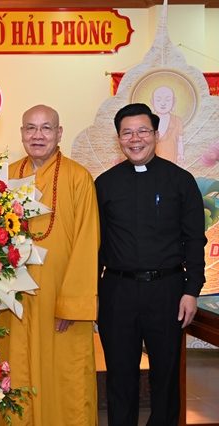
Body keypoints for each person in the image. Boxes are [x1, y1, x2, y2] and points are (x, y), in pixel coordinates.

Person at [95, 103, 206, 426]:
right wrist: (93, 292)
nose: (135, 139)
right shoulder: (104, 184)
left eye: (143, 131)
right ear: (118, 139)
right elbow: (95, 245)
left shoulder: (180, 181)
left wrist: (191, 291)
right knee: (120, 376)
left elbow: (194, 240)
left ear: (156, 134)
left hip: (167, 291)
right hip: (118, 291)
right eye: (127, 133)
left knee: (166, 377)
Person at [0, 105, 100, 425]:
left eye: (45, 128)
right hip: (13, 300)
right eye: (30, 128)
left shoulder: (78, 177)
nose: (37, 135)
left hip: (58, 302)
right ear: (21, 133)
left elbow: (87, 242)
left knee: (65, 377)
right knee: (14, 371)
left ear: (59, 133)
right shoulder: (6, 176)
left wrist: (72, 304)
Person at [151, 85, 184, 164]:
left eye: (168, 100)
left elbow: (180, 140)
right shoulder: (148, 121)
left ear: (174, 101)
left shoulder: (177, 121)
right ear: (152, 101)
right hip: (152, 160)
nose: (163, 103)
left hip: (171, 159)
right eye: (158, 100)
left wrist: (180, 154)